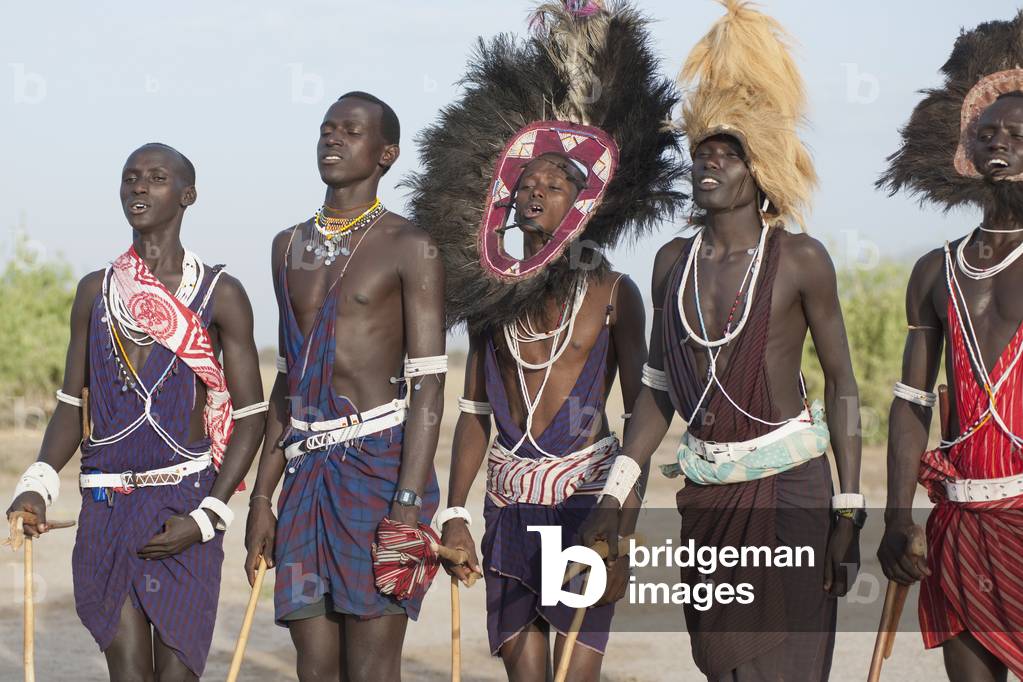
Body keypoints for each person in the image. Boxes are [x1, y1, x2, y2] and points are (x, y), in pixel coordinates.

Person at [579, 2, 863, 680]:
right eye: (699, 155)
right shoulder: (670, 263)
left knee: (784, 665)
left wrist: (848, 511)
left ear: (759, 168)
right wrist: (616, 493)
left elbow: (842, 382)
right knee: (721, 665)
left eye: (725, 157)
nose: (706, 167)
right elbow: (653, 393)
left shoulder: (799, 258)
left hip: (789, 492)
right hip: (708, 498)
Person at [406, 2, 685, 679]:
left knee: (576, 671)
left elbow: (646, 403)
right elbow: (474, 413)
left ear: (581, 203)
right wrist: (454, 515)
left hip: (585, 504)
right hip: (506, 506)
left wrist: (619, 508)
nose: (534, 193)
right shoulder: (490, 298)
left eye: (553, 185)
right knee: (523, 670)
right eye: (526, 185)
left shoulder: (612, 291)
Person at [6, 142, 266, 679]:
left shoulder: (222, 294)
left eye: (155, 178)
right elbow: (70, 405)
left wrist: (208, 515)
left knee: (179, 671)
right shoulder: (95, 293)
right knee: (126, 674)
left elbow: (251, 415)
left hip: (185, 507)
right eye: (130, 178)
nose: (139, 188)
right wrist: (36, 481)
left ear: (187, 195)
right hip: (106, 507)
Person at [243, 91, 447, 681]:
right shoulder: (287, 247)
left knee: (373, 667)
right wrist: (262, 499)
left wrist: (406, 511)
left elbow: (428, 388)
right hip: (305, 475)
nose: (333, 139)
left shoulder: (411, 246)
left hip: (379, 471)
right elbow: (290, 378)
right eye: (327, 128)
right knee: (315, 664)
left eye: (351, 131)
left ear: (387, 153)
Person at [876, 10, 1023, 681]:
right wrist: (897, 518)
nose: (1000, 142)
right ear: (965, 149)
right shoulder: (934, 271)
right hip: (958, 521)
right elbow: (909, 404)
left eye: (1017, 134)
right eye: (987, 132)